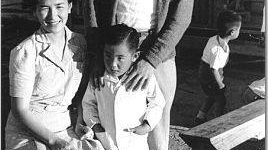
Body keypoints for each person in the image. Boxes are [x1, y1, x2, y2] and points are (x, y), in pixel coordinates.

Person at [83, 0, 194, 149]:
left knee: (156, 123)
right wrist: (98, 52)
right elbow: (90, 7)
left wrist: (151, 60)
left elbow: (181, 18)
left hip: (158, 46)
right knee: (108, 117)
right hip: (114, 45)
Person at [5, 0, 104, 149]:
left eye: (59, 6)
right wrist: (54, 142)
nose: (53, 15)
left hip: (64, 127)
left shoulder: (81, 43)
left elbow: (79, 94)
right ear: (35, 11)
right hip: (28, 133)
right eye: (44, 7)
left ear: (70, 7)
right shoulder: (25, 51)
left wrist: (78, 121)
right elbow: (20, 110)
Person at [82, 24, 166, 150]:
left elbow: (157, 102)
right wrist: (96, 126)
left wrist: (147, 125)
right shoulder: (98, 78)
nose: (113, 64)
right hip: (106, 143)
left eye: (120, 58)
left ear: (135, 56)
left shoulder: (144, 78)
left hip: (135, 143)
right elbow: (88, 104)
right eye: (108, 55)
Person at [194, 10, 242, 125]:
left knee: (211, 95)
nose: (240, 31)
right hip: (211, 76)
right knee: (221, 99)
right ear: (232, 32)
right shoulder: (218, 50)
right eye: (239, 29)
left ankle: (200, 116)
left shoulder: (214, 38)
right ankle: (217, 122)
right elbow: (214, 69)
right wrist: (221, 85)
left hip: (204, 71)